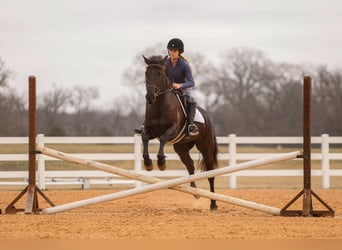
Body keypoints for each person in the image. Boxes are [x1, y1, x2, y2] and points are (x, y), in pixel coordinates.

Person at [135, 38, 199, 136]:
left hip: (183, 87)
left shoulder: (184, 65)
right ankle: (145, 124)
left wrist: (179, 85)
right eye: (170, 50)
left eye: (175, 51)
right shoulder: (166, 63)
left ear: (179, 52)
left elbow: (191, 82)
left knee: (192, 98)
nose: (172, 53)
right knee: (153, 97)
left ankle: (190, 125)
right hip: (169, 87)